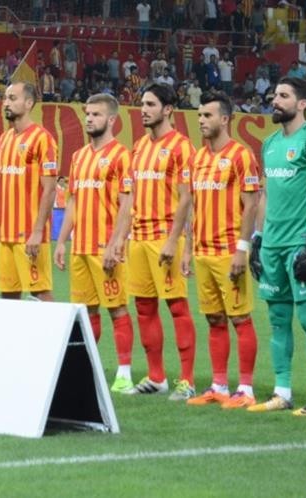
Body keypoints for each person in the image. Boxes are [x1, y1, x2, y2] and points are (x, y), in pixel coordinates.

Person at [248, 77, 306, 417]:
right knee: (277, 320)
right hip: (272, 245)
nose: (275, 100)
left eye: (283, 96)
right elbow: (265, 196)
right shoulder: (269, 144)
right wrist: (258, 240)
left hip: (300, 244)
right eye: (274, 95)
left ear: (302, 104)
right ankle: (282, 391)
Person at [54, 93, 136, 393]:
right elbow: (73, 202)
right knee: (87, 312)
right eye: (87, 114)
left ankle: (124, 374)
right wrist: (61, 241)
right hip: (81, 247)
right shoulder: (78, 157)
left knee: (117, 309)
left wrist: (116, 243)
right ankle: (88, 368)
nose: (89, 119)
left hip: (106, 247)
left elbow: (127, 204)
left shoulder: (121, 155)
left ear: (111, 119)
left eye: (96, 114)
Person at [186, 91, 261, 409]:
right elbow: (194, 206)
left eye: (208, 115)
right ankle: (218, 385)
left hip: (230, 251)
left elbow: (252, 204)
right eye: (200, 116)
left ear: (225, 119)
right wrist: (188, 250)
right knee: (214, 319)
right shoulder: (197, 158)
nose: (202, 121)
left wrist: (243, 249)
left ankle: (246, 388)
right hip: (203, 252)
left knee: (240, 318)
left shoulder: (241, 155)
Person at [125, 84, 198, 399]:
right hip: (139, 238)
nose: (144, 110)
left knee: (177, 306)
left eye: (151, 104)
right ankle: (156, 377)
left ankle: (187, 380)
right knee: (144, 308)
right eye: (142, 104)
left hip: (166, 237)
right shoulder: (139, 147)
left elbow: (187, 199)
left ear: (168, 109)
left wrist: (175, 241)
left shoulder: (182, 147)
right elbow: (131, 196)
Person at [0, 82, 58, 301]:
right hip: (6, 234)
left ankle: (59, 326)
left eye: (12, 98)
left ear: (28, 103)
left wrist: (37, 232)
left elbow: (50, 189)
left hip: (29, 233)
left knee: (40, 292)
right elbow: (2, 186)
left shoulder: (42, 138)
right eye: (5, 98)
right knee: (8, 296)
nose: (6, 103)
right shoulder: (5, 139)